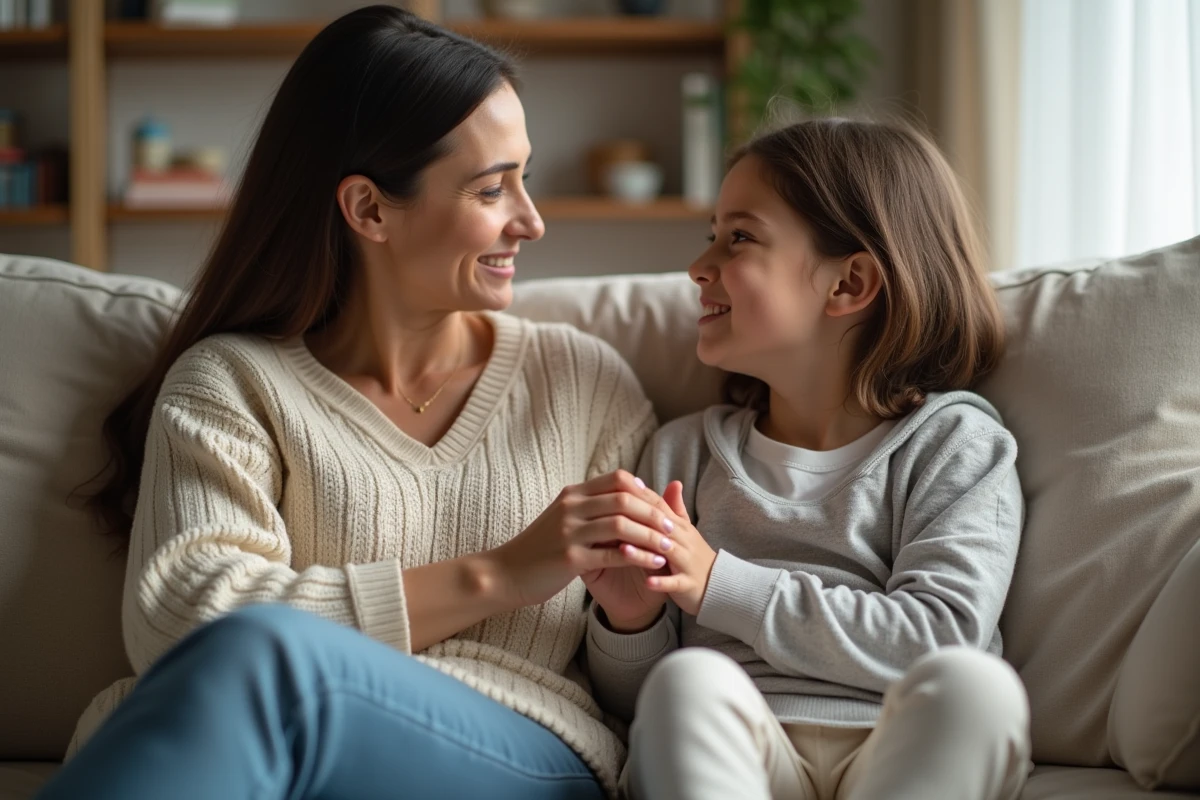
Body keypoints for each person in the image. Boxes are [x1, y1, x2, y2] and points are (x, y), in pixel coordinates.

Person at [38, 6, 675, 799]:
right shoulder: (232, 384)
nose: (531, 221)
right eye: (490, 188)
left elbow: (652, 697)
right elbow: (183, 619)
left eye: (525, 177)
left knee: (264, 654)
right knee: (256, 657)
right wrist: (501, 574)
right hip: (267, 751)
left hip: (522, 755)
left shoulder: (583, 385)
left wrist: (631, 621)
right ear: (369, 209)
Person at [585, 119, 1032, 800]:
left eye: (738, 237)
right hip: (743, 750)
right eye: (711, 233)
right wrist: (630, 621)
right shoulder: (683, 450)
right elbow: (638, 701)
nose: (698, 266)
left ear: (849, 284)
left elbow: (940, 637)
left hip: (901, 750)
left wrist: (719, 584)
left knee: (978, 688)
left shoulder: (955, 445)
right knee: (688, 681)